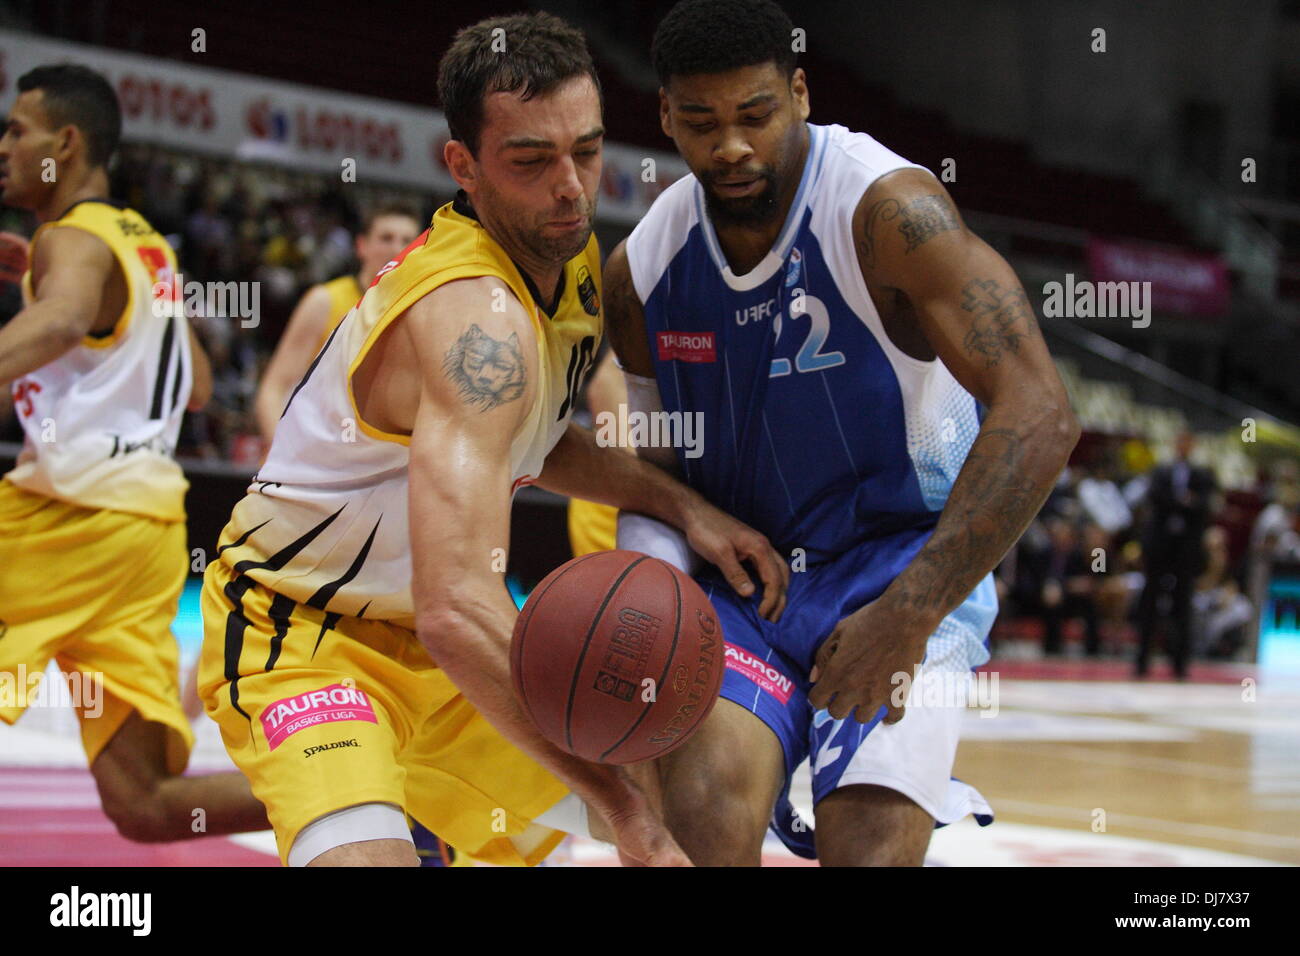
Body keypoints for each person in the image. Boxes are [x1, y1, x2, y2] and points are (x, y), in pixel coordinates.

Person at [197, 12, 788, 868]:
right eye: (531, 160)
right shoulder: (474, 314)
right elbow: (455, 610)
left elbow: (535, 441)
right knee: (625, 818)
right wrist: (628, 814)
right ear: (463, 168)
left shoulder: (576, 266)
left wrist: (683, 507)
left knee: (681, 806)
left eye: (585, 151)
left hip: (447, 652)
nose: (570, 187)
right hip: (309, 634)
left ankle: (435, 817)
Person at [604, 0, 1078, 865]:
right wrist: (650, 605)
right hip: (749, 583)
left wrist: (913, 609)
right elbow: (653, 474)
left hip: (898, 565)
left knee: (868, 846)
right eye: (703, 123)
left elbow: (1042, 410)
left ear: (799, 93)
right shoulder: (642, 269)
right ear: (666, 115)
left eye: (756, 115)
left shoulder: (889, 212)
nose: (732, 146)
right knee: (704, 822)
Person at [0, 64, 270, 842]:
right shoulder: (146, 245)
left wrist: (56, 291)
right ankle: (385, 801)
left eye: (18, 130)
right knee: (147, 803)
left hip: (67, 522)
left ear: (67, 141)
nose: (6, 145)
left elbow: (63, 323)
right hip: (145, 535)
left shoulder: (72, 238)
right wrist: (53, 287)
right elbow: (196, 385)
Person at [254, 205, 421, 443]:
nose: (397, 248)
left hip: (373, 461)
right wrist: (280, 456)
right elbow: (274, 389)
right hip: (314, 455)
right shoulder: (324, 300)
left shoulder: (418, 311)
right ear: (362, 246)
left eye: (407, 240)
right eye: (386, 238)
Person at [1135, 430, 1216, 678]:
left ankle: (1180, 663)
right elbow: (1156, 499)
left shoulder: (1202, 474)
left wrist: (1184, 503)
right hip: (1160, 548)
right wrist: (1183, 501)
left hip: (1185, 551)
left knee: (1183, 606)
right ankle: (1142, 661)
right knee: (1150, 603)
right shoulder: (1161, 472)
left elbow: (1205, 505)